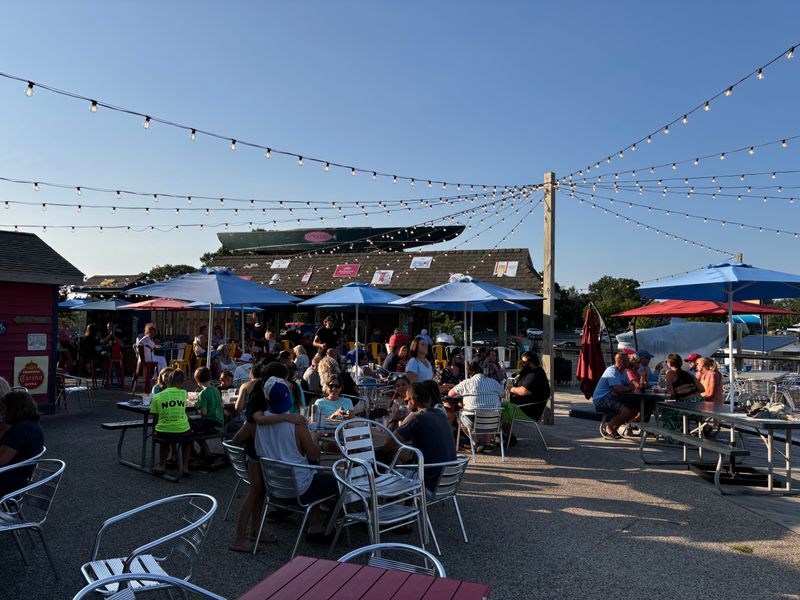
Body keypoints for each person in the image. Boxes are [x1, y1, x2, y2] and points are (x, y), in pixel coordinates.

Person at [229, 364, 307, 552]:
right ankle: (239, 538)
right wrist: (286, 418)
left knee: (260, 494)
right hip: (256, 454)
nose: (288, 382)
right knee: (255, 493)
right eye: (286, 379)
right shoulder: (259, 397)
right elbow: (256, 421)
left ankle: (255, 532)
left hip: (263, 452)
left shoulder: (266, 392)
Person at [254, 377, 338, 544]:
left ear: (266, 400)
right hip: (300, 490)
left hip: (274, 489)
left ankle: (310, 519)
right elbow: (314, 454)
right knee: (337, 480)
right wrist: (315, 437)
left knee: (312, 473)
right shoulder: (297, 424)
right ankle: (319, 527)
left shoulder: (259, 422)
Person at [385, 382, 457, 491]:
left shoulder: (416, 417)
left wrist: (394, 420)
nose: (406, 403)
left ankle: (394, 503)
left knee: (387, 464)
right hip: (449, 482)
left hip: (427, 483)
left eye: (406, 400)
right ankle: (410, 502)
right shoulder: (441, 414)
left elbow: (387, 445)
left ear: (413, 400)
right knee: (404, 455)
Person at [449, 361, 505, 450]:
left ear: (470, 374)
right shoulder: (493, 382)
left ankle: (476, 443)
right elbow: (503, 394)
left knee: (460, 417)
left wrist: (463, 394)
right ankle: (487, 444)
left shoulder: (466, 383)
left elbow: (450, 394)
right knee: (490, 412)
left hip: (473, 422)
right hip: (494, 422)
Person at [0, 388, 45, 497]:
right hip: (20, 477)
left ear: (12, 409)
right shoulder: (32, 425)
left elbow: (1, 461)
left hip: (8, 483)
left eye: (3, 408)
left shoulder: (20, 430)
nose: (1, 412)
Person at [149, 369, 193, 476]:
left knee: (164, 438)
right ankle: (185, 467)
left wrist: (156, 429)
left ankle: (162, 465)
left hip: (163, 430)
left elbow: (156, 417)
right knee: (188, 439)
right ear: (182, 383)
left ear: (168, 381)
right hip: (182, 430)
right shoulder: (183, 393)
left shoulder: (156, 396)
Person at [592, 352, 637, 439]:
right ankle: (608, 427)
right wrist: (625, 388)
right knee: (626, 412)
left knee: (634, 410)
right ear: (621, 361)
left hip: (613, 397)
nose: (629, 362)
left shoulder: (623, 371)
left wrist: (625, 388)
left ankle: (614, 428)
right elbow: (618, 388)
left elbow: (632, 386)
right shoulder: (611, 371)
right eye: (627, 360)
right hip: (602, 399)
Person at [193, 367, 224, 463]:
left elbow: (203, 413)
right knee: (195, 426)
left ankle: (205, 452)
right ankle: (205, 452)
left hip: (210, 420)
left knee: (190, 430)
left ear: (197, 380)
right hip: (219, 420)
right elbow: (222, 405)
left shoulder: (203, 393)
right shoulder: (216, 390)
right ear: (210, 378)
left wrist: (197, 407)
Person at [508, 352, 551, 420]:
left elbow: (524, 391)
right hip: (523, 407)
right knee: (502, 406)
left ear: (531, 363)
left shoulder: (534, 374)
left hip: (528, 412)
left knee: (501, 409)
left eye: (523, 362)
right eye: (520, 361)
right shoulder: (533, 371)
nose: (521, 364)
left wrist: (511, 389)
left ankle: (504, 430)